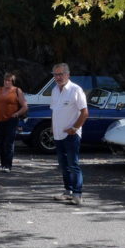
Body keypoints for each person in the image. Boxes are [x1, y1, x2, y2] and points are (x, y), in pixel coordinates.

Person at [50, 63, 88, 205]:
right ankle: (68, 191)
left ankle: (77, 194)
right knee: (63, 165)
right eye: (55, 74)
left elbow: (85, 113)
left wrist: (74, 128)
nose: (58, 77)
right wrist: (53, 128)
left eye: (61, 74)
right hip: (58, 135)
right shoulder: (54, 90)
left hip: (72, 135)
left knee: (73, 165)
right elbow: (54, 111)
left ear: (68, 74)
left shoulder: (75, 90)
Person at [0, 72, 28, 172]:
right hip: (0, 120)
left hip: (11, 120)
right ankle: (2, 164)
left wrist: (16, 114)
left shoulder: (17, 90)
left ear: (13, 82)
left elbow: (25, 107)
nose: (7, 82)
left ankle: (8, 165)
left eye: (9, 81)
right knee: (0, 143)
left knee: (8, 143)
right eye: (5, 80)